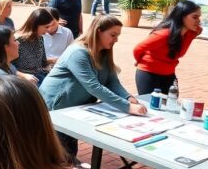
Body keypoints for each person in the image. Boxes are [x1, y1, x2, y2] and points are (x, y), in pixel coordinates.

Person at [40, 15, 148, 159]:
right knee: (57, 149)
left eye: (117, 35)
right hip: (56, 106)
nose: (116, 40)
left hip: (75, 107)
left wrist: (128, 97)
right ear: (98, 32)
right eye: (113, 35)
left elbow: (112, 81)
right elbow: (93, 86)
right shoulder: (78, 52)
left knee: (68, 149)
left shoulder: (103, 53)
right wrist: (126, 106)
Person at [133, 0, 202, 94]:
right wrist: (138, 60)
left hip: (169, 74)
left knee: (170, 104)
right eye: (195, 17)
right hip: (149, 73)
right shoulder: (164, 34)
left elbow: (199, 29)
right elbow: (138, 48)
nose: (198, 20)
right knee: (149, 105)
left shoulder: (191, 33)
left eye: (199, 17)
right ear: (181, 16)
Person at [13, 8, 54, 85]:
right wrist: (24, 75)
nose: (48, 31)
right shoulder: (16, 40)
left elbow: (43, 62)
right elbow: (7, 67)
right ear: (36, 25)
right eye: (46, 27)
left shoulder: (40, 38)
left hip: (39, 76)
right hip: (22, 81)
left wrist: (55, 62)